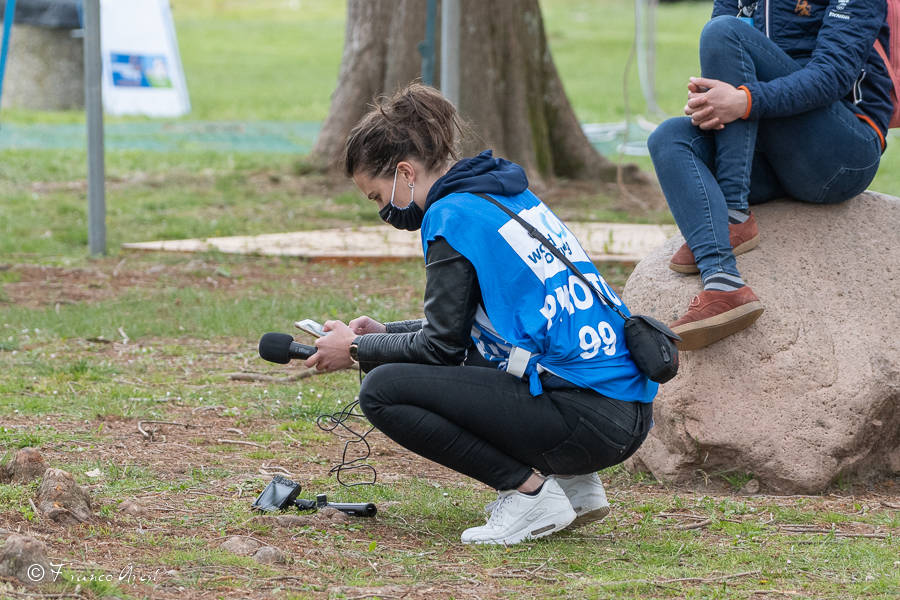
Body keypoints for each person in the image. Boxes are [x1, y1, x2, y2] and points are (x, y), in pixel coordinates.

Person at [305, 84, 658, 545]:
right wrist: (385, 333)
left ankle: (530, 495)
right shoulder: (500, 194)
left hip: (587, 417)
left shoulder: (452, 217)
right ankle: (575, 485)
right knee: (427, 366)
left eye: (376, 197)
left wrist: (355, 349)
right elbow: (483, 330)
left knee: (382, 389)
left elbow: (441, 348)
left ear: (406, 174)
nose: (382, 211)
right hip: (624, 411)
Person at [648, 0, 892, 350]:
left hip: (841, 153)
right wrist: (711, 102)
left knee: (724, 31)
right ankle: (723, 282)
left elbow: (832, 75)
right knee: (669, 138)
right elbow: (725, 64)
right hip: (771, 150)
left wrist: (744, 101)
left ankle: (733, 213)